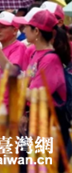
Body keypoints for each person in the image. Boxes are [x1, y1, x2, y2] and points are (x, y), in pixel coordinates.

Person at [15, 9, 71, 156]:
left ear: (36, 31)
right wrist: (24, 113)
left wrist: (17, 84)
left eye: (27, 27)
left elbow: (36, 95)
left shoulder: (50, 59)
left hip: (50, 122)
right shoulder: (35, 53)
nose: (23, 30)